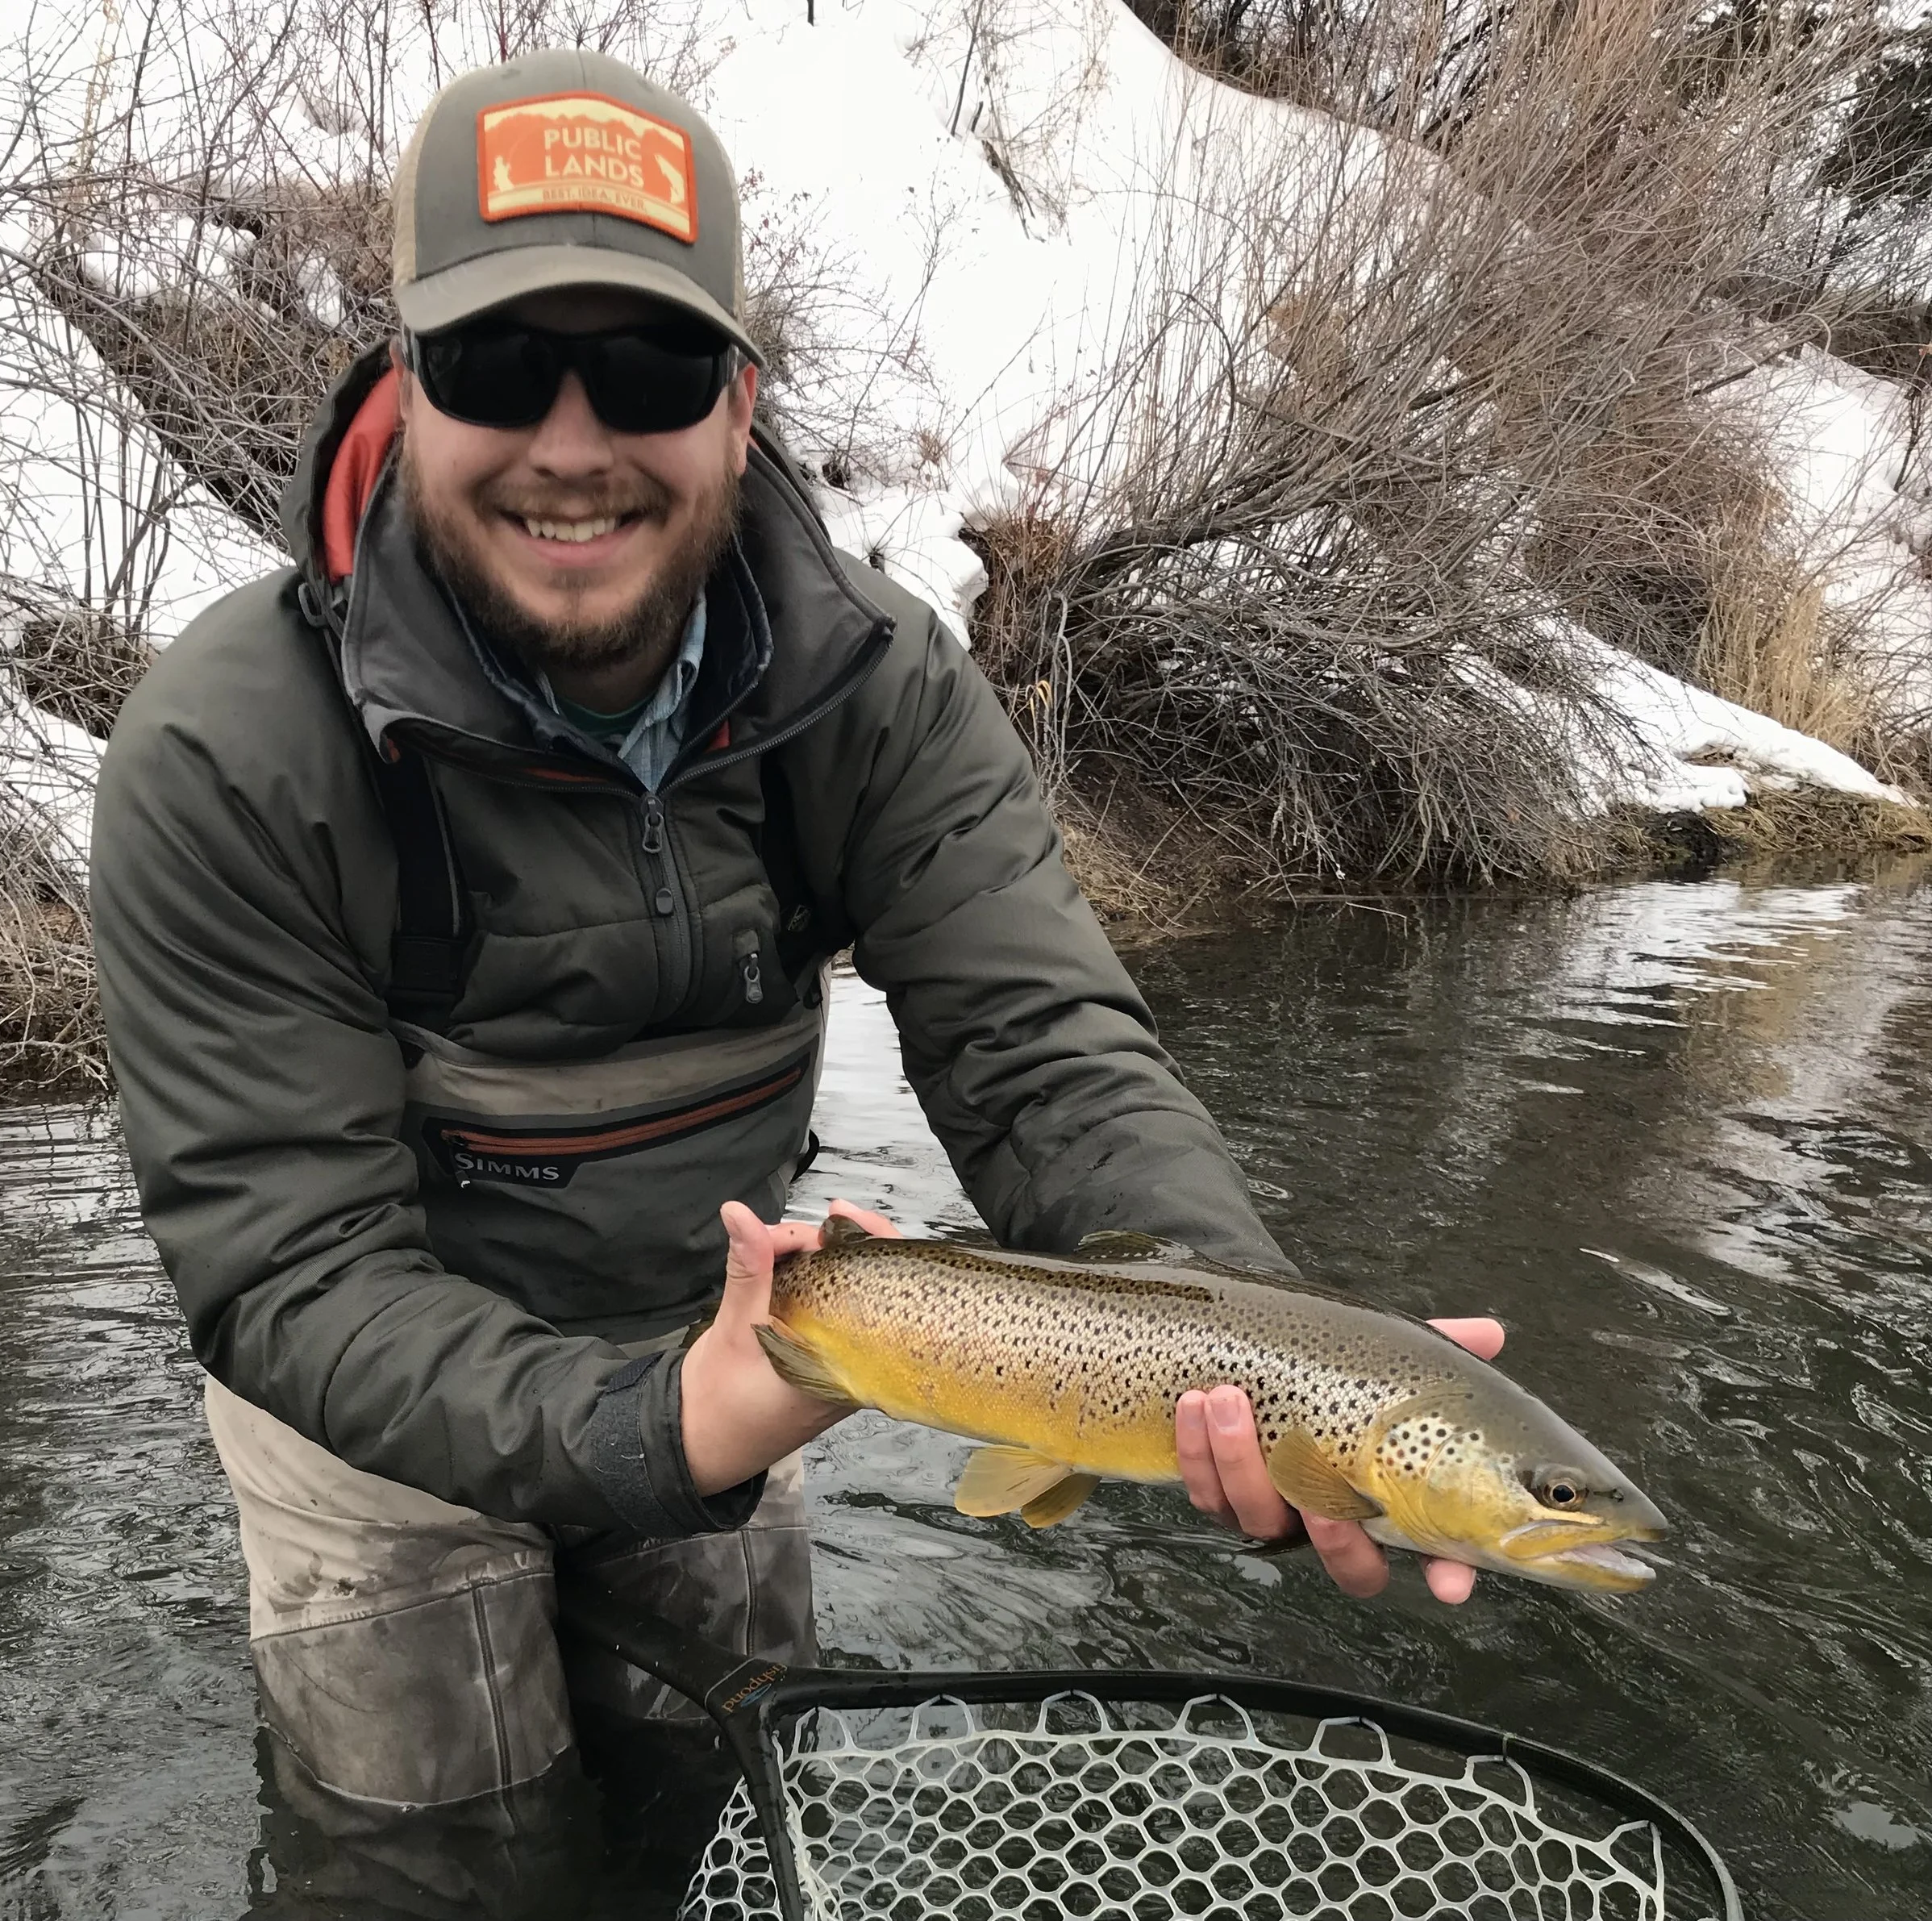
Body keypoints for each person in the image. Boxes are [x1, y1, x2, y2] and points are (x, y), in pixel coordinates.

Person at [90, 47, 1500, 1853]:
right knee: (434, 1860)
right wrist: (654, 1427)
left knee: (717, 1816)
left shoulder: (872, 685)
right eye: (503, 364)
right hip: (377, 1408)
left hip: (739, 1341)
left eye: (653, 368)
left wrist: (1241, 1341)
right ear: (410, 389)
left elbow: (1040, 1044)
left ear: (739, 406)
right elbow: (287, 1272)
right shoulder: (228, 750)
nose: (576, 443)